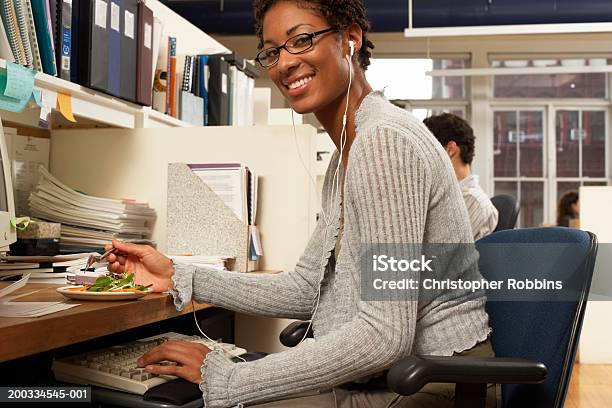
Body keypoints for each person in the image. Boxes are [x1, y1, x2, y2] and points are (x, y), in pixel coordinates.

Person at [106, 1, 495, 406]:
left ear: (350, 39)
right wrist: (178, 275)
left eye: (302, 40)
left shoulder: (385, 143)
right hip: (388, 375)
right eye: (272, 51)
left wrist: (233, 378)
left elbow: (385, 335)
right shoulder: (347, 152)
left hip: (432, 381)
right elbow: (309, 288)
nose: (284, 63)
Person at [423, 113, 499, 240]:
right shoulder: (448, 196)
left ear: (450, 150)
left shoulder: (472, 201)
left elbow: (438, 255)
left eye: (427, 150)